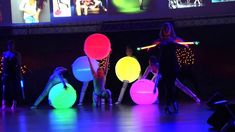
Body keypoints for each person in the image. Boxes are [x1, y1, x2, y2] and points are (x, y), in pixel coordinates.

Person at [152, 22, 188, 114]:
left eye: (168, 28)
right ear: (162, 30)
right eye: (165, 29)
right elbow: (152, 47)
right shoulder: (160, 40)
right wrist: (157, 45)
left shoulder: (174, 39)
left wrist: (179, 43)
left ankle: (172, 103)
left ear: (171, 29)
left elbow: (185, 45)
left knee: (171, 85)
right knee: (167, 86)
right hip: (164, 66)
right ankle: (170, 104)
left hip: (173, 65)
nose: (166, 30)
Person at [1, 40, 22, 110]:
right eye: (9, 45)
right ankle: (4, 104)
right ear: (7, 46)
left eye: (12, 45)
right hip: (6, 73)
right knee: (5, 89)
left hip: (14, 73)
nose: (11, 46)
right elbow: (3, 64)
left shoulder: (17, 53)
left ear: (14, 45)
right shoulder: (4, 53)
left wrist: (20, 75)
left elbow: (19, 64)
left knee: (14, 89)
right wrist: (3, 74)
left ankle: (14, 104)